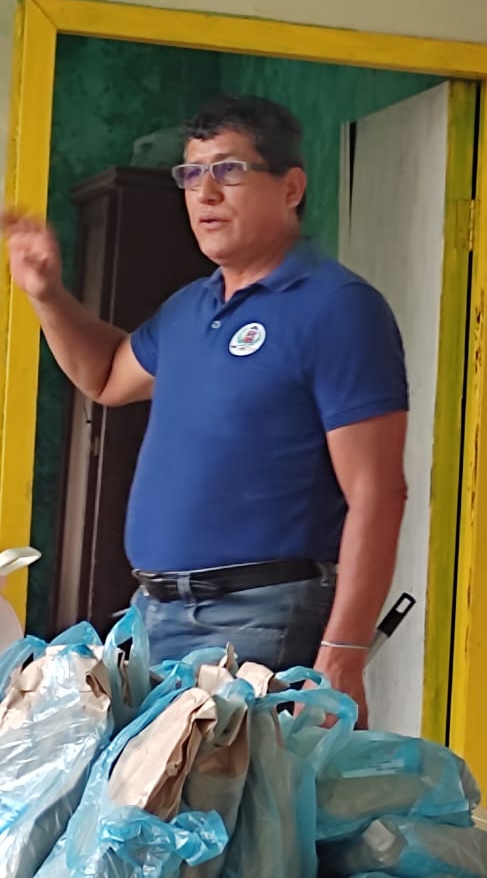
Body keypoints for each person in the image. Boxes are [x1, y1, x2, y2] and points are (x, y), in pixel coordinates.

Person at [1, 95, 409, 725]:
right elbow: (106, 375)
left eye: (229, 170)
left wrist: (344, 651)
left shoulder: (338, 306)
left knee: (242, 792)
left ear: (291, 187)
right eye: (191, 174)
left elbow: (378, 492)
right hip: (154, 612)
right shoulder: (190, 307)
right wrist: (47, 294)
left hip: (261, 616)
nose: (205, 193)